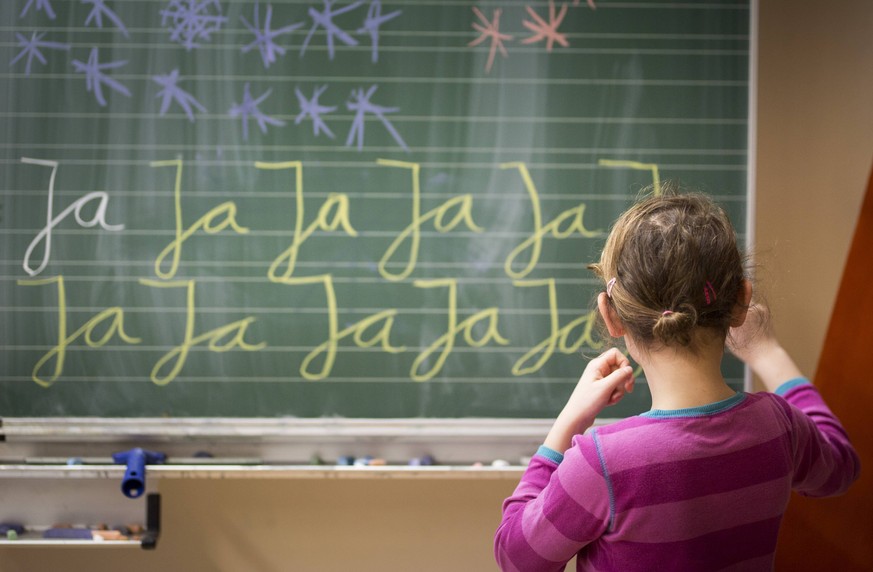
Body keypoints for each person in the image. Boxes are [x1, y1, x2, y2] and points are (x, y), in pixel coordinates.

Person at [494, 190, 860, 571]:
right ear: (741, 301)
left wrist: (569, 420)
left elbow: (517, 558)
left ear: (611, 315)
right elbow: (841, 468)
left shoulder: (602, 461)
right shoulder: (778, 426)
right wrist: (766, 352)